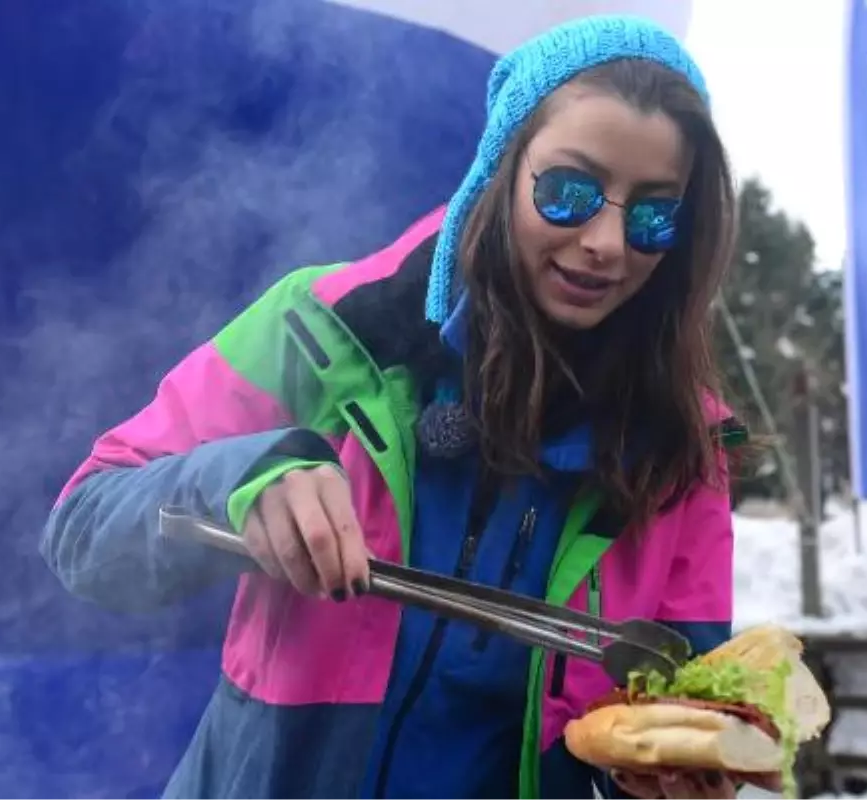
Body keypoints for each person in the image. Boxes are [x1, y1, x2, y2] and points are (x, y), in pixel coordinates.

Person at [41, 15, 752, 800]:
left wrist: (668, 778)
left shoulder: (683, 450)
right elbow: (82, 530)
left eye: (653, 213)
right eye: (569, 191)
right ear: (500, 170)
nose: (608, 243)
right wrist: (244, 475)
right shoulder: (322, 328)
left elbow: (677, 696)